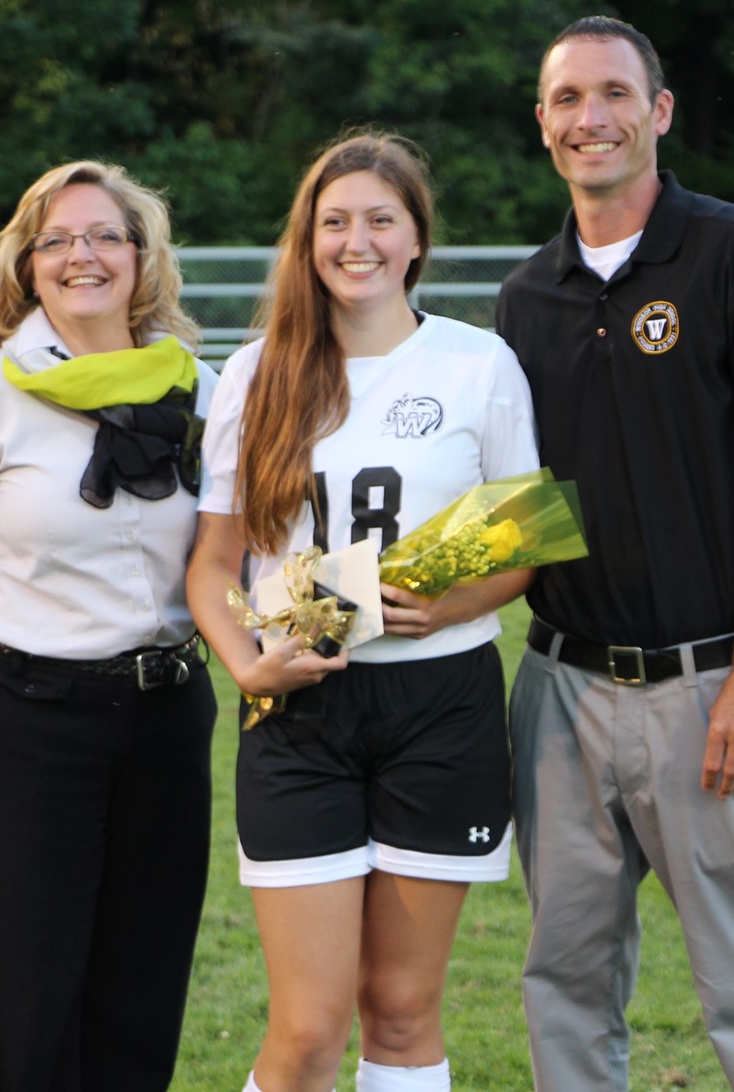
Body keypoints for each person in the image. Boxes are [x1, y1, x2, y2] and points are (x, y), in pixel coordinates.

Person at [494, 16, 734, 1092]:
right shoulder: (525, 298)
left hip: (709, 688)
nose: (589, 117)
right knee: (563, 978)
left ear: (658, 112)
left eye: (613, 93)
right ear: (543, 126)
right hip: (558, 688)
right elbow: (521, 513)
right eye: (566, 99)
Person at [186, 132, 540, 1092]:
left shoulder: (481, 364)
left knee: (401, 1009)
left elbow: (526, 547)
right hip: (301, 711)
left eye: (381, 219)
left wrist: (454, 599)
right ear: (307, 242)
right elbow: (216, 562)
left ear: (417, 238)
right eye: (334, 221)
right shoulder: (259, 371)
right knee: (306, 1029)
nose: (358, 241)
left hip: (443, 706)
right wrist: (244, 660)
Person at [0, 161, 220, 1091]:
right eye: (58, 240)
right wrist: (18, 664)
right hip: (26, 718)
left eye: (105, 236)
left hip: (165, 713)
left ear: (141, 256)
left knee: (143, 985)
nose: (83, 255)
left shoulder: (201, 389)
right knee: (29, 997)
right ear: (28, 267)